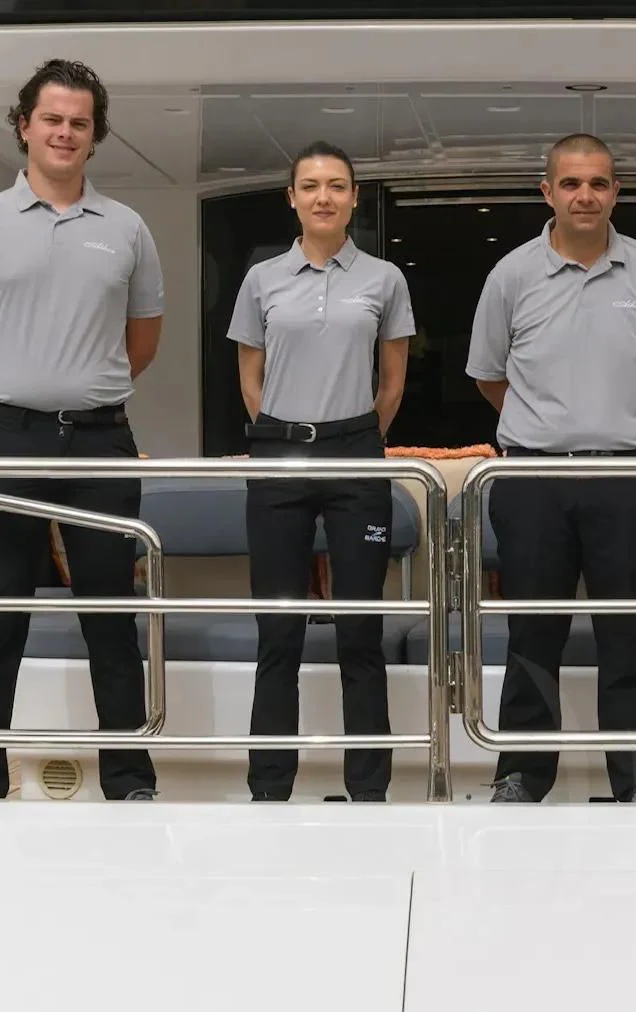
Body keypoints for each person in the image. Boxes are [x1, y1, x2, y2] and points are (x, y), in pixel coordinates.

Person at [0, 58, 163, 801]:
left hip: (99, 440)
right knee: (1, 605)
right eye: (52, 119)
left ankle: (128, 780)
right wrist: (14, 386)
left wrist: (78, 386)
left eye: (80, 123)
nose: (65, 133)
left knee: (110, 613)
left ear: (95, 137)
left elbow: (142, 342)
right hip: (6, 438)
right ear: (24, 126)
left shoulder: (127, 229)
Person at [467, 133, 636, 804]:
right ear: (548, 192)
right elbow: (489, 376)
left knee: (628, 634)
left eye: (598, 183)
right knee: (532, 633)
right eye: (571, 183)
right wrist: (551, 429)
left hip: (626, 480)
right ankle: (522, 773)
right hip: (532, 481)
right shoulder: (512, 274)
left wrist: (617, 425)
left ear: (615, 191)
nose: (585, 195)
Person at [229, 141, 414, 802]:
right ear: (292, 197)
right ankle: (269, 786)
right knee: (276, 628)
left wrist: (355, 435)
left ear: (355, 197)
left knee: (359, 628)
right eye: (310, 186)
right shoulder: (262, 279)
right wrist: (284, 430)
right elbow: (250, 374)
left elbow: (391, 381)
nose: (324, 197)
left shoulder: (385, 280)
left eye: (337, 185)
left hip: (355, 453)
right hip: (279, 453)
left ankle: (369, 789)